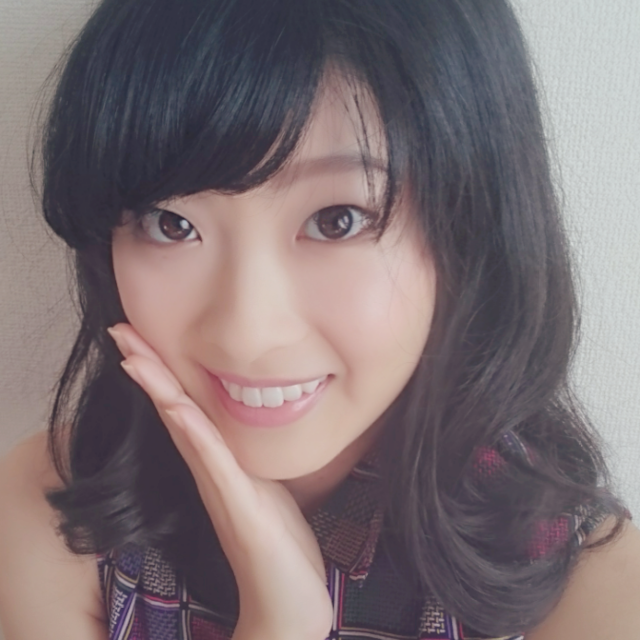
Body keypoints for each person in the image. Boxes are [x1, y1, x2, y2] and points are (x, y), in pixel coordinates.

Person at [0, 0, 639, 638]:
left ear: (471, 230)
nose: (246, 333)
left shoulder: (586, 582)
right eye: (171, 224)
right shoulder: (51, 509)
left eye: (337, 221)